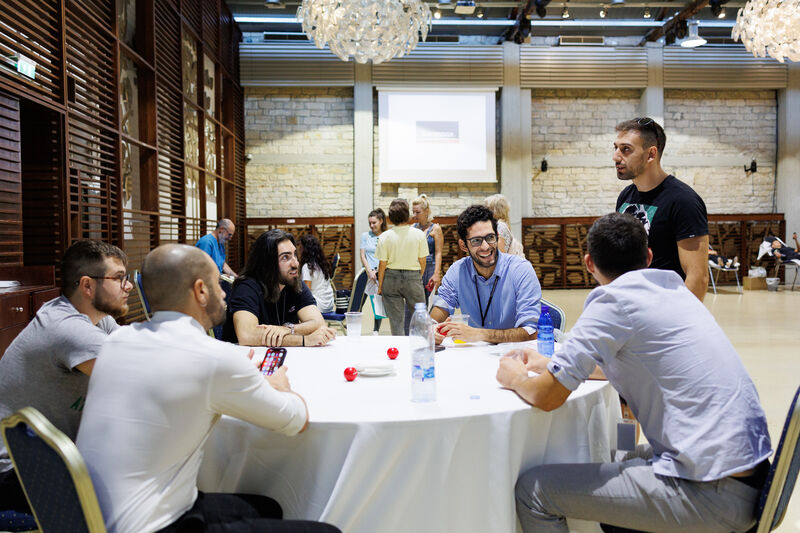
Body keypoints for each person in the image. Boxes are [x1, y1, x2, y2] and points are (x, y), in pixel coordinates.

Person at [497, 212, 772, 533]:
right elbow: (639, 362)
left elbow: (547, 396)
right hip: (752, 479)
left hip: (711, 492)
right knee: (619, 457)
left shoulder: (611, 301)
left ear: (588, 263)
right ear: (649, 256)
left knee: (534, 491)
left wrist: (514, 377)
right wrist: (550, 364)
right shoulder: (674, 290)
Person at [76, 244, 340, 533]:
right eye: (217, 284)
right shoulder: (212, 357)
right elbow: (296, 420)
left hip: (91, 518)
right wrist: (277, 386)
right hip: (155, 527)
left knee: (270, 508)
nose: (225, 293)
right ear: (201, 290)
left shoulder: (116, 342)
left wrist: (238, 381)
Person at [0, 240, 131, 513]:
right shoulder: (69, 330)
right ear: (87, 286)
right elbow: (141, 377)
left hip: (51, 456)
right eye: (119, 279)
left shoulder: (93, 317)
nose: (128, 286)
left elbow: (140, 348)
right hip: (16, 472)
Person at [614, 117, 709, 302]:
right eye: (615, 148)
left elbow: (698, 278)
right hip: (632, 306)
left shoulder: (683, 201)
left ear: (651, 154)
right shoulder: (626, 196)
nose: (616, 156)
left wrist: (676, 323)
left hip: (665, 311)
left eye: (626, 149)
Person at [431, 205, 542, 344]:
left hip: (515, 354)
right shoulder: (457, 271)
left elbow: (531, 332)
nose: (485, 247)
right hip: (476, 355)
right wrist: (432, 327)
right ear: (464, 245)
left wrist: (480, 334)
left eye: (490, 237)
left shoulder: (521, 270)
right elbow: (441, 308)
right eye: (476, 241)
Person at [222, 229, 336, 347]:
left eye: (295, 254)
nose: (295, 263)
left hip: (278, 357)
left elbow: (318, 323)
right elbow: (247, 335)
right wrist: (304, 340)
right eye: (285, 257)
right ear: (267, 263)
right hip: (244, 360)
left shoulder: (295, 283)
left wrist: (288, 329)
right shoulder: (246, 287)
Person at [376, 198, 429, 336]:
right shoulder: (419, 234)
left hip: (390, 278)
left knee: (396, 322)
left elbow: (382, 264)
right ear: (408, 215)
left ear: (391, 217)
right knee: (419, 318)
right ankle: (420, 348)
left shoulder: (384, 237)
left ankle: (399, 351)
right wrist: (419, 276)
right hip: (413, 277)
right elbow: (423, 261)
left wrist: (380, 285)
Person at [360, 208, 387, 334]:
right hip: (367, 274)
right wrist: (369, 271)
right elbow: (362, 255)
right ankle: (353, 326)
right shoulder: (365, 236)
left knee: (378, 303)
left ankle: (376, 330)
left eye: (374, 222)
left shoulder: (386, 236)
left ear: (381, 221)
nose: (371, 225)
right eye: (370, 223)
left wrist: (378, 272)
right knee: (359, 302)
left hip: (380, 274)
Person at [411, 194, 444, 296]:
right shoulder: (412, 228)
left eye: (418, 212)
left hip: (431, 268)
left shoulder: (436, 229)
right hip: (416, 269)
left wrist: (436, 274)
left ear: (426, 211)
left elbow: (438, 253)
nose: (415, 215)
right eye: (413, 212)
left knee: (430, 304)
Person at [299, 234, 335, 314]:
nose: (299, 249)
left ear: (305, 249)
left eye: (300, 247)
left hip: (318, 306)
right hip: (329, 304)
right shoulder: (323, 264)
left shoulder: (307, 266)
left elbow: (306, 292)